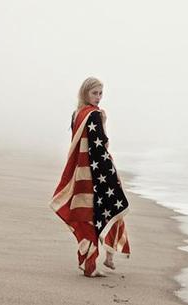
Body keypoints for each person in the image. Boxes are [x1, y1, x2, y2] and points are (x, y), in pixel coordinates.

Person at [49, 77, 131, 277]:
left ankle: (97, 259)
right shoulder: (94, 115)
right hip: (98, 172)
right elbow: (100, 144)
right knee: (112, 207)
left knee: (92, 213)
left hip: (82, 171)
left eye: (101, 93)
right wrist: (104, 122)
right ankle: (99, 259)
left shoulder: (77, 114)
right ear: (85, 93)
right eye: (94, 93)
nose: (98, 97)